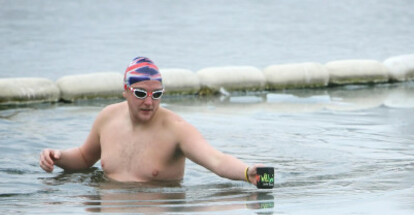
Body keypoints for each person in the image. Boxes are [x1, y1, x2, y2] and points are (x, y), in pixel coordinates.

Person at [40, 56, 261, 184]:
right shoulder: (107, 118)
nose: (149, 102)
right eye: (140, 93)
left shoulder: (176, 130)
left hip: (158, 213)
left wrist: (247, 173)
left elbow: (217, 161)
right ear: (125, 90)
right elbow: (83, 158)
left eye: (156, 94)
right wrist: (57, 157)